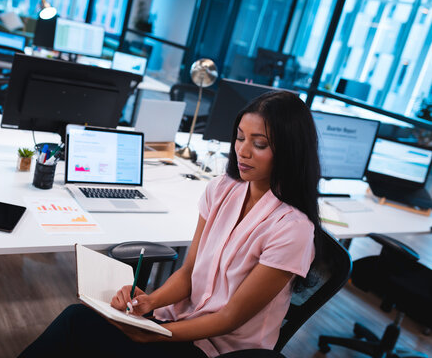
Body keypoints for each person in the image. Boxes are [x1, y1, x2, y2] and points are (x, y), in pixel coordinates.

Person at [18, 91, 321, 358]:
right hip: (177, 325)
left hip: (217, 349)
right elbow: (189, 274)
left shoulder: (293, 230)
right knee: (82, 323)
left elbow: (230, 317)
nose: (242, 151)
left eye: (259, 144)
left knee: (76, 325)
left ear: (289, 151)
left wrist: (154, 333)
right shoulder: (223, 188)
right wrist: (149, 302)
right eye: (240, 137)